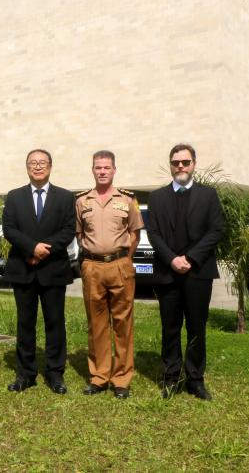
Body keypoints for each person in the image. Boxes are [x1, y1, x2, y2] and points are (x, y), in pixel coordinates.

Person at [145, 143, 224, 400]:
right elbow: (153, 233)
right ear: (170, 165)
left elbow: (216, 230)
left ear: (194, 164)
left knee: (196, 328)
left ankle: (195, 380)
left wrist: (190, 258)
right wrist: (172, 259)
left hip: (198, 272)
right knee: (170, 327)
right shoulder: (157, 198)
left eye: (185, 162)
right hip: (167, 273)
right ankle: (171, 377)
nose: (180, 166)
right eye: (176, 162)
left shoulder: (208, 195)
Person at [2, 149, 76, 394]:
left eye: (42, 162)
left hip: (53, 269)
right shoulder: (14, 196)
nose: (37, 166)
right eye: (32, 163)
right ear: (27, 167)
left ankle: (55, 374)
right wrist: (31, 248)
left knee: (55, 323)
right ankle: (26, 374)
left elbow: (68, 230)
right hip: (23, 268)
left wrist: (45, 250)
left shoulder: (65, 197)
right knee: (25, 324)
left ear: (50, 166)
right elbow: (9, 229)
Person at [75, 150, 143, 399]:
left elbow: (135, 234)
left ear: (114, 170)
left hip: (119, 266)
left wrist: (123, 259)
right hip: (92, 267)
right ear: (92, 170)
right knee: (96, 324)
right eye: (98, 167)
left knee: (123, 324)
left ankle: (122, 379)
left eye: (106, 167)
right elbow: (80, 234)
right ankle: (100, 376)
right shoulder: (82, 201)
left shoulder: (127, 199)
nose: (102, 171)